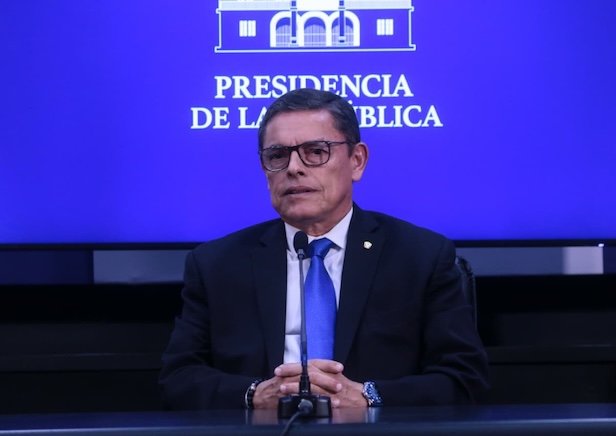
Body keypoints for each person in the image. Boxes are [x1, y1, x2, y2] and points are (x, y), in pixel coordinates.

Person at [159, 88, 489, 410]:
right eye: (277, 155)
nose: (293, 168)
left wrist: (369, 397)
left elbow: (463, 378)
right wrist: (255, 395)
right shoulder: (217, 265)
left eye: (316, 151)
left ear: (357, 161)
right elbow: (179, 378)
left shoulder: (419, 257)